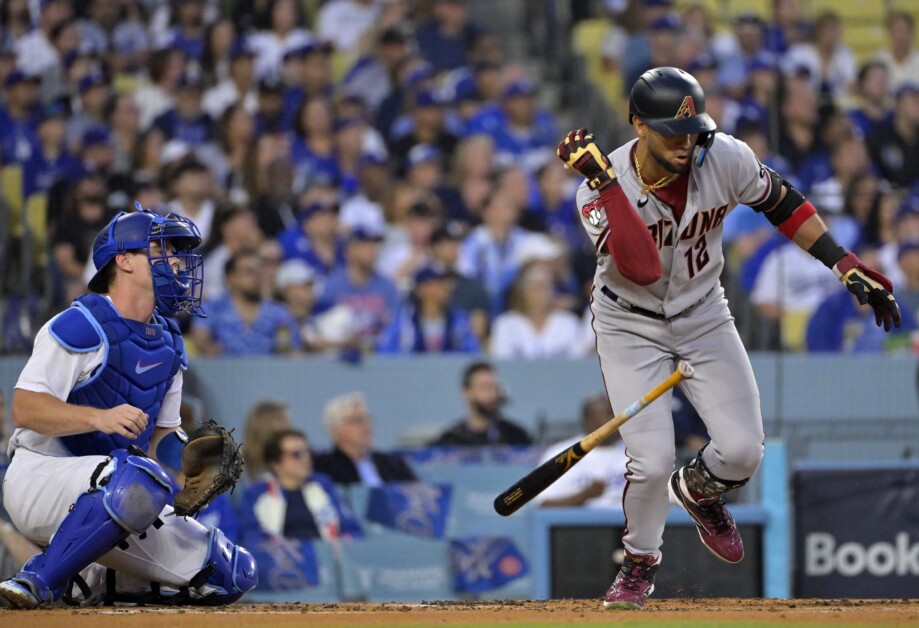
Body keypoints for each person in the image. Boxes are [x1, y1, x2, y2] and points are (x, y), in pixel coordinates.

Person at [557, 67, 900, 610]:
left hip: (702, 312)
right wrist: (604, 183)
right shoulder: (595, 188)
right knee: (649, 459)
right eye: (672, 132)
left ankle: (700, 490)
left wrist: (844, 263)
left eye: (692, 131)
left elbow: (781, 202)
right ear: (638, 127)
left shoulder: (724, 155)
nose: (685, 144)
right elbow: (641, 267)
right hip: (629, 322)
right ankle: (639, 566)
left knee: (742, 452)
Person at [0, 207, 257, 608]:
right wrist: (98, 417)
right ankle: (38, 579)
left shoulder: (169, 342)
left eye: (177, 250)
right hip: (39, 475)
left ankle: (95, 579)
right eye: (162, 247)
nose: (175, 259)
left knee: (230, 572)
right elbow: (25, 409)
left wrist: (189, 459)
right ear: (123, 260)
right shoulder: (80, 323)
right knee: (137, 477)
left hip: (117, 494)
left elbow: (162, 438)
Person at [239, 429, 363, 541]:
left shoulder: (322, 485)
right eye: (296, 454)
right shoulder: (256, 493)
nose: (306, 459)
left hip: (325, 561)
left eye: (307, 452)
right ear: (275, 462)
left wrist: (344, 543)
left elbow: (352, 529)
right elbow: (251, 537)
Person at [537, 394, 628, 509]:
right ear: (588, 420)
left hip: (626, 524)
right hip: (577, 525)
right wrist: (585, 495)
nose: (618, 418)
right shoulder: (561, 453)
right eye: (610, 413)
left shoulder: (638, 453)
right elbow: (543, 504)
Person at [312, 392, 417, 486]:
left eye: (368, 419)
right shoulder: (322, 467)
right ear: (335, 429)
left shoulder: (393, 464)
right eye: (357, 420)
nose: (366, 425)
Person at [431, 361, 532, 446]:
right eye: (484, 388)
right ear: (466, 393)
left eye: (494, 387)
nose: (491, 395)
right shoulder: (451, 440)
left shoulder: (516, 437)